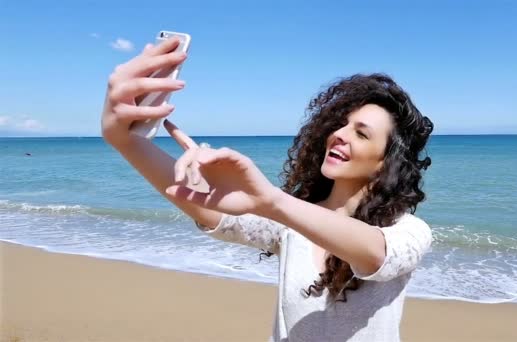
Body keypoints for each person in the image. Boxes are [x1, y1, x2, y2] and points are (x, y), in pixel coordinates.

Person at [101, 36, 434, 341]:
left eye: (361, 134)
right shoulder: (291, 226)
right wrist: (123, 140)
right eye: (342, 124)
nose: (341, 135)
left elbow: (376, 254)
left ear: (383, 163)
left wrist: (272, 201)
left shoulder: (409, 231)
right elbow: (209, 209)